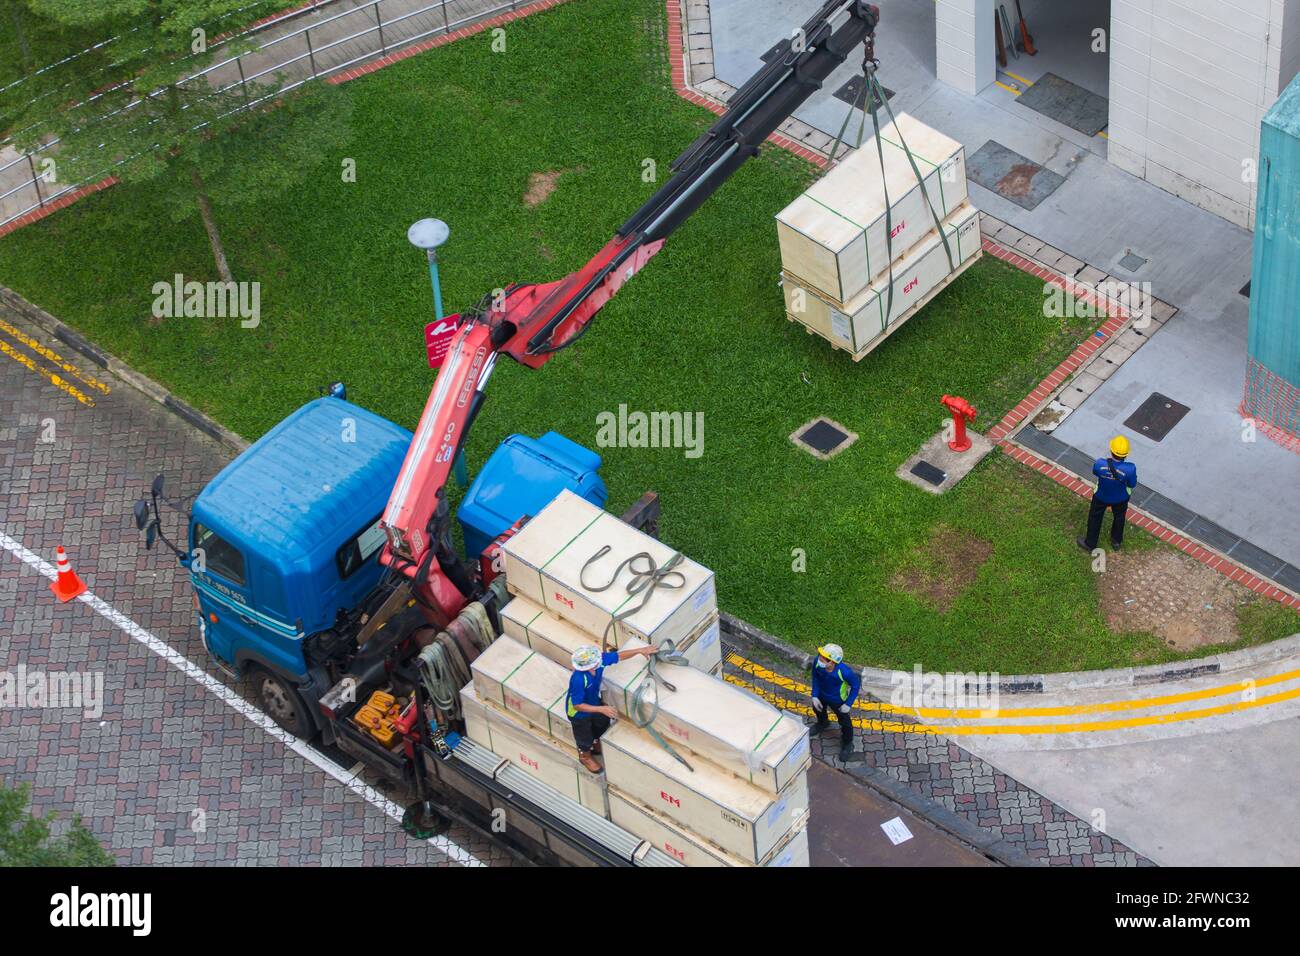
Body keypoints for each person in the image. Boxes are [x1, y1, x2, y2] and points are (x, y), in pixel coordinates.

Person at [567, 643, 657, 773]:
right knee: (584, 735)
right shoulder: (579, 679)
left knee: (601, 723)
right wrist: (601, 709)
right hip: (578, 713)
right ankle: (585, 756)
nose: (600, 661)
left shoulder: (599, 662)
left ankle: (596, 742)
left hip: (593, 701)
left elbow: (618, 656)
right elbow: (577, 705)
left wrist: (640, 650)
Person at [1077, 435, 1138, 553]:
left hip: (1101, 495)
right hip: (1120, 498)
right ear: (1126, 454)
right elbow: (1132, 484)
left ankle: (1090, 543)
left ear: (1111, 451)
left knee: (1095, 517)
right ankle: (1116, 541)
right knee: (1119, 517)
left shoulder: (1100, 463)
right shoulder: (1130, 469)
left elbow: (1095, 472)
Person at [809, 644, 860, 760]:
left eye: (823, 658)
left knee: (845, 722)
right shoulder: (817, 662)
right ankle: (823, 723)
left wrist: (848, 704)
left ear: (832, 662)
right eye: (820, 655)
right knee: (817, 709)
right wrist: (815, 695)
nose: (819, 658)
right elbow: (815, 677)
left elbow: (856, 686)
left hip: (838, 701)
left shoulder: (845, 672)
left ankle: (847, 743)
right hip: (821, 695)